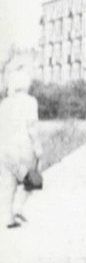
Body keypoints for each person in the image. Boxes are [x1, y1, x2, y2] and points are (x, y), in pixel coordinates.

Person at [1, 56, 42, 229]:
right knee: (32, 178)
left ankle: (9, 218)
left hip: (5, 149)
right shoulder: (30, 102)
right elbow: (32, 127)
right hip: (23, 147)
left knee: (8, 184)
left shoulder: (4, 104)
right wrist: (38, 147)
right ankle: (18, 208)